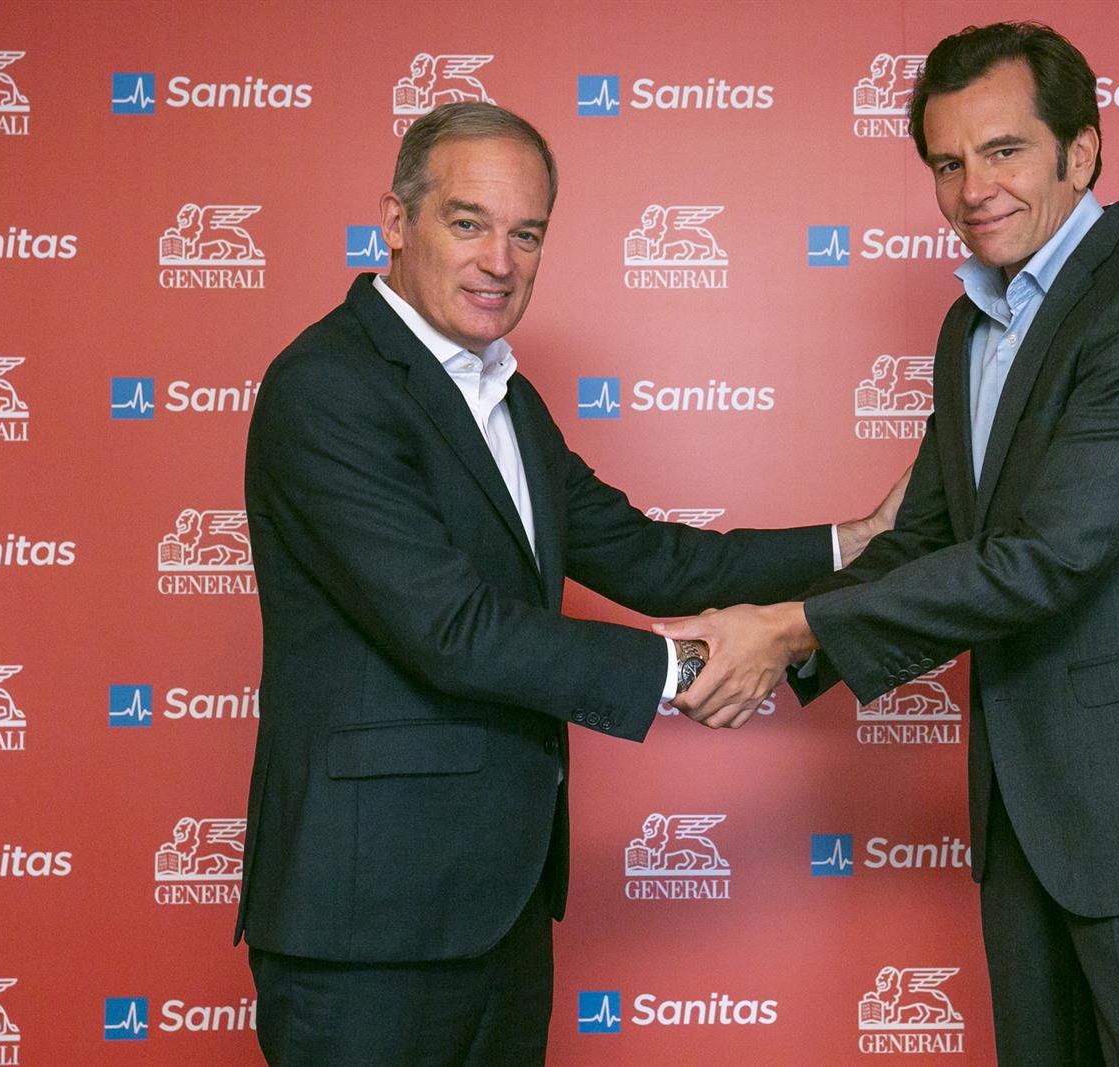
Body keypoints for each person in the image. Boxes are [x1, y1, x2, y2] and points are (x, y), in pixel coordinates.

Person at [661, 23, 1119, 1066]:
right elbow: (923, 539)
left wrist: (788, 628)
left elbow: (1046, 556)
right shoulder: (970, 327)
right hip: (1024, 815)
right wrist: (764, 639)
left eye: (1004, 151)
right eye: (947, 162)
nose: (973, 189)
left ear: (1080, 154)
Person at [236, 101, 902, 1065]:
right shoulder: (328, 386)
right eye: (468, 222)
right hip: (367, 923)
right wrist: (690, 668)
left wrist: (858, 539)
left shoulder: (504, 395)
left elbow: (650, 557)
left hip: (500, 907)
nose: (499, 261)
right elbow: (453, 630)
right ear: (396, 220)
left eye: (527, 233)